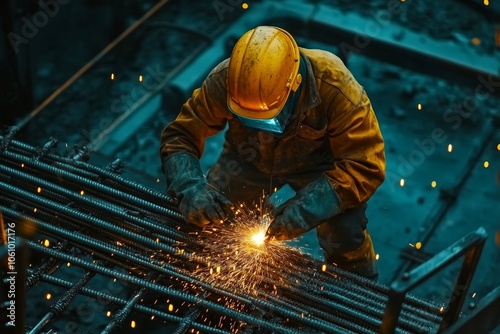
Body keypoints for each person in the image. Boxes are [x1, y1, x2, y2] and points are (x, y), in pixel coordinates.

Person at [160, 26, 385, 279]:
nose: (263, 128)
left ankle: (361, 289)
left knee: (344, 231)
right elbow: (180, 136)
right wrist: (190, 187)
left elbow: (365, 166)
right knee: (211, 214)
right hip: (248, 159)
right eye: (250, 119)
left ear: (295, 85)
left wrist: (304, 210)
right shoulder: (226, 80)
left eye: (267, 119)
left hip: (322, 170)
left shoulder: (338, 89)